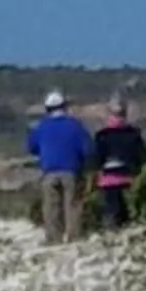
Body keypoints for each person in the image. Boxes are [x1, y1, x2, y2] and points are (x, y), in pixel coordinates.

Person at [26, 90, 92, 243]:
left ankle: (53, 238)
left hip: (49, 171)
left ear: (47, 109)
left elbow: (31, 147)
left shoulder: (41, 127)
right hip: (71, 171)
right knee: (72, 205)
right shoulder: (75, 126)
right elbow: (88, 149)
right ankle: (73, 237)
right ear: (64, 107)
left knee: (50, 207)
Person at [92, 98, 146, 229]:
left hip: (109, 179)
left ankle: (111, 232)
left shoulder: (102, 135)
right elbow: (141, 156)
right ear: (125, 114)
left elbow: (98, 159)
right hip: (129, 178)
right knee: (128, 212)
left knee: (111, 211)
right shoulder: (133, 134)